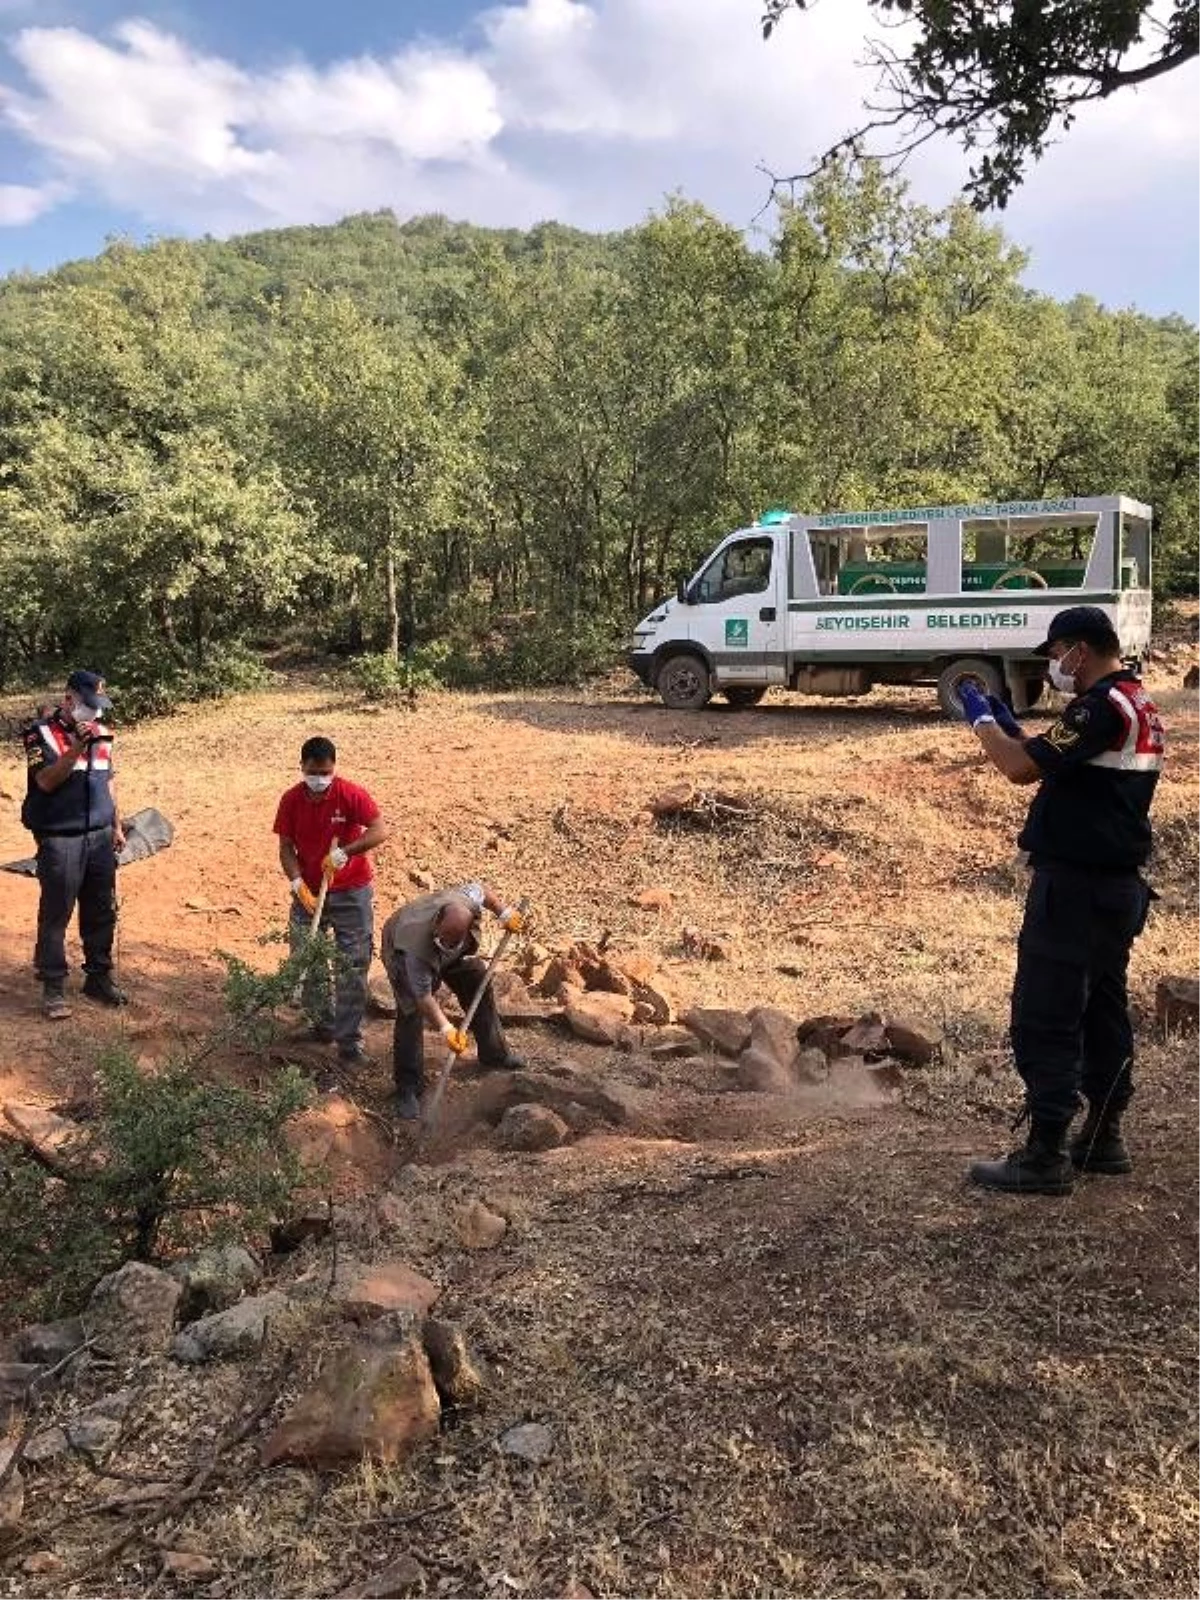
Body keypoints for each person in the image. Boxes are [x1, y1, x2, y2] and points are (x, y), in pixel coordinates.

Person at [958, 606, 1165, 1195]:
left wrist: (980, 722)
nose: (1054, 666)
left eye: (1055, 655)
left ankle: (1044, 1154)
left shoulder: (1098, 706)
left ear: (1079, 649)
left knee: (1046, 1014)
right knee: (1101, 1012)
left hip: (1075, 888)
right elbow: (1063, 762)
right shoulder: (1138, 703)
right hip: (1115, 887)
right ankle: (1103, 1136)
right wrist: (1013, 725)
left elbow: (1020, 770)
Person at [273, 737, 388, 1068]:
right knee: (306, 956)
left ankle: (349, 1042)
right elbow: (285, 848)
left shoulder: (350, 794)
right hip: (309, 893)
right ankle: (321, 1024)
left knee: (352, 964)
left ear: (333, 768)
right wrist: (296, 884)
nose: (319, 778)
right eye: (313, 772)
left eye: (325, 772)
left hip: (351, 891)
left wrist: (345, 852)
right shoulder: (291, 800)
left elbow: (379, 830)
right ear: (302, 768)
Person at [21, 670, 127, 1020]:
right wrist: (76, 749)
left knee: (101, 909)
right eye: (88, 705)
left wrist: (115, 825)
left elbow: (108, 781)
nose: (95, 713)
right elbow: (47, 782)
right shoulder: (39, 735)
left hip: (98, 836)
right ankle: (53, 985)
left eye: (99, 706)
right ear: (69, 700)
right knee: (57, 911)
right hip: (60, 838)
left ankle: (98, 977)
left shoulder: (102, 734)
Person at [380, 883, 527, 1120]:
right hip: (400, 947)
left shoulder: (466, 901)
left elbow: (484, 891)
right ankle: (408, 1087)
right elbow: (422, 997)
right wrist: (447, 1029)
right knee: (410, 1012)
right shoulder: (414, 946)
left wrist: (504, 913)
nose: (446, 944)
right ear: (437, 924)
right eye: (443, 939)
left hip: (450, 953)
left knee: (477, 979)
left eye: (453, 941)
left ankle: (494, 1054)